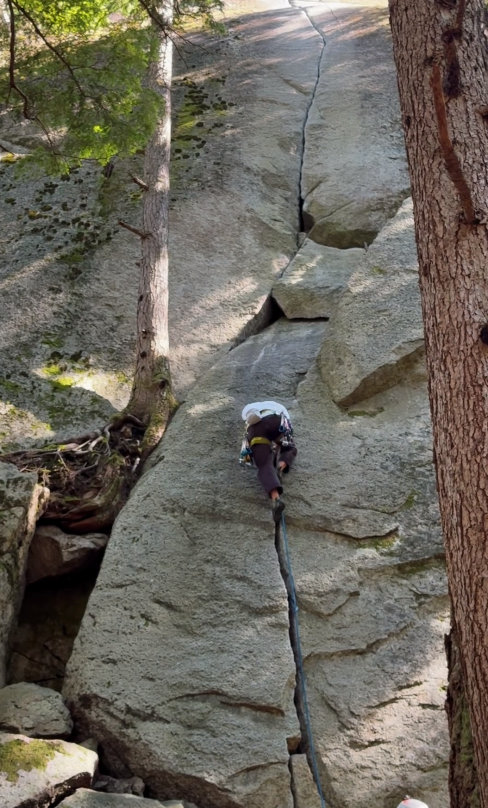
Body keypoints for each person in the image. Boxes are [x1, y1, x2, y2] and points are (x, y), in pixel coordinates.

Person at [241, 400, 297, 523]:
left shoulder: (249, 407)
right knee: (290, 448)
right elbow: (288, 427)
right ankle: (281, 464)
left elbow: (247, 420)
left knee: (264, 464)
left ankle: (275, 498)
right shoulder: (278, 406)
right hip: (278, 421)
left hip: (256, 428)